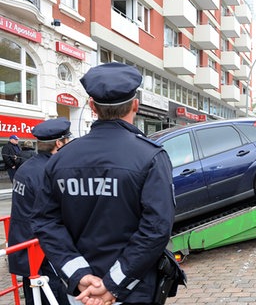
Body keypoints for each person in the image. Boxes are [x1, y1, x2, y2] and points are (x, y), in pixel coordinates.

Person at [32, 63, 176, 305]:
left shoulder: (61, 159)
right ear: (135, 105)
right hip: (133, 290)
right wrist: (112, 284)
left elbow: (46, 222)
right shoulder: (150, 157)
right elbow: (157, 228)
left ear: (92, 106)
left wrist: (80, 275)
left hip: (80, 293)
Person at [8, 118, 73, 305]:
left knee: (33, 295)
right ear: (59, 143)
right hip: (44, 251)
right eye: (67, 140)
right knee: (53, 296)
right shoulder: (52, 171)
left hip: (26, 246)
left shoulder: (27, 167)